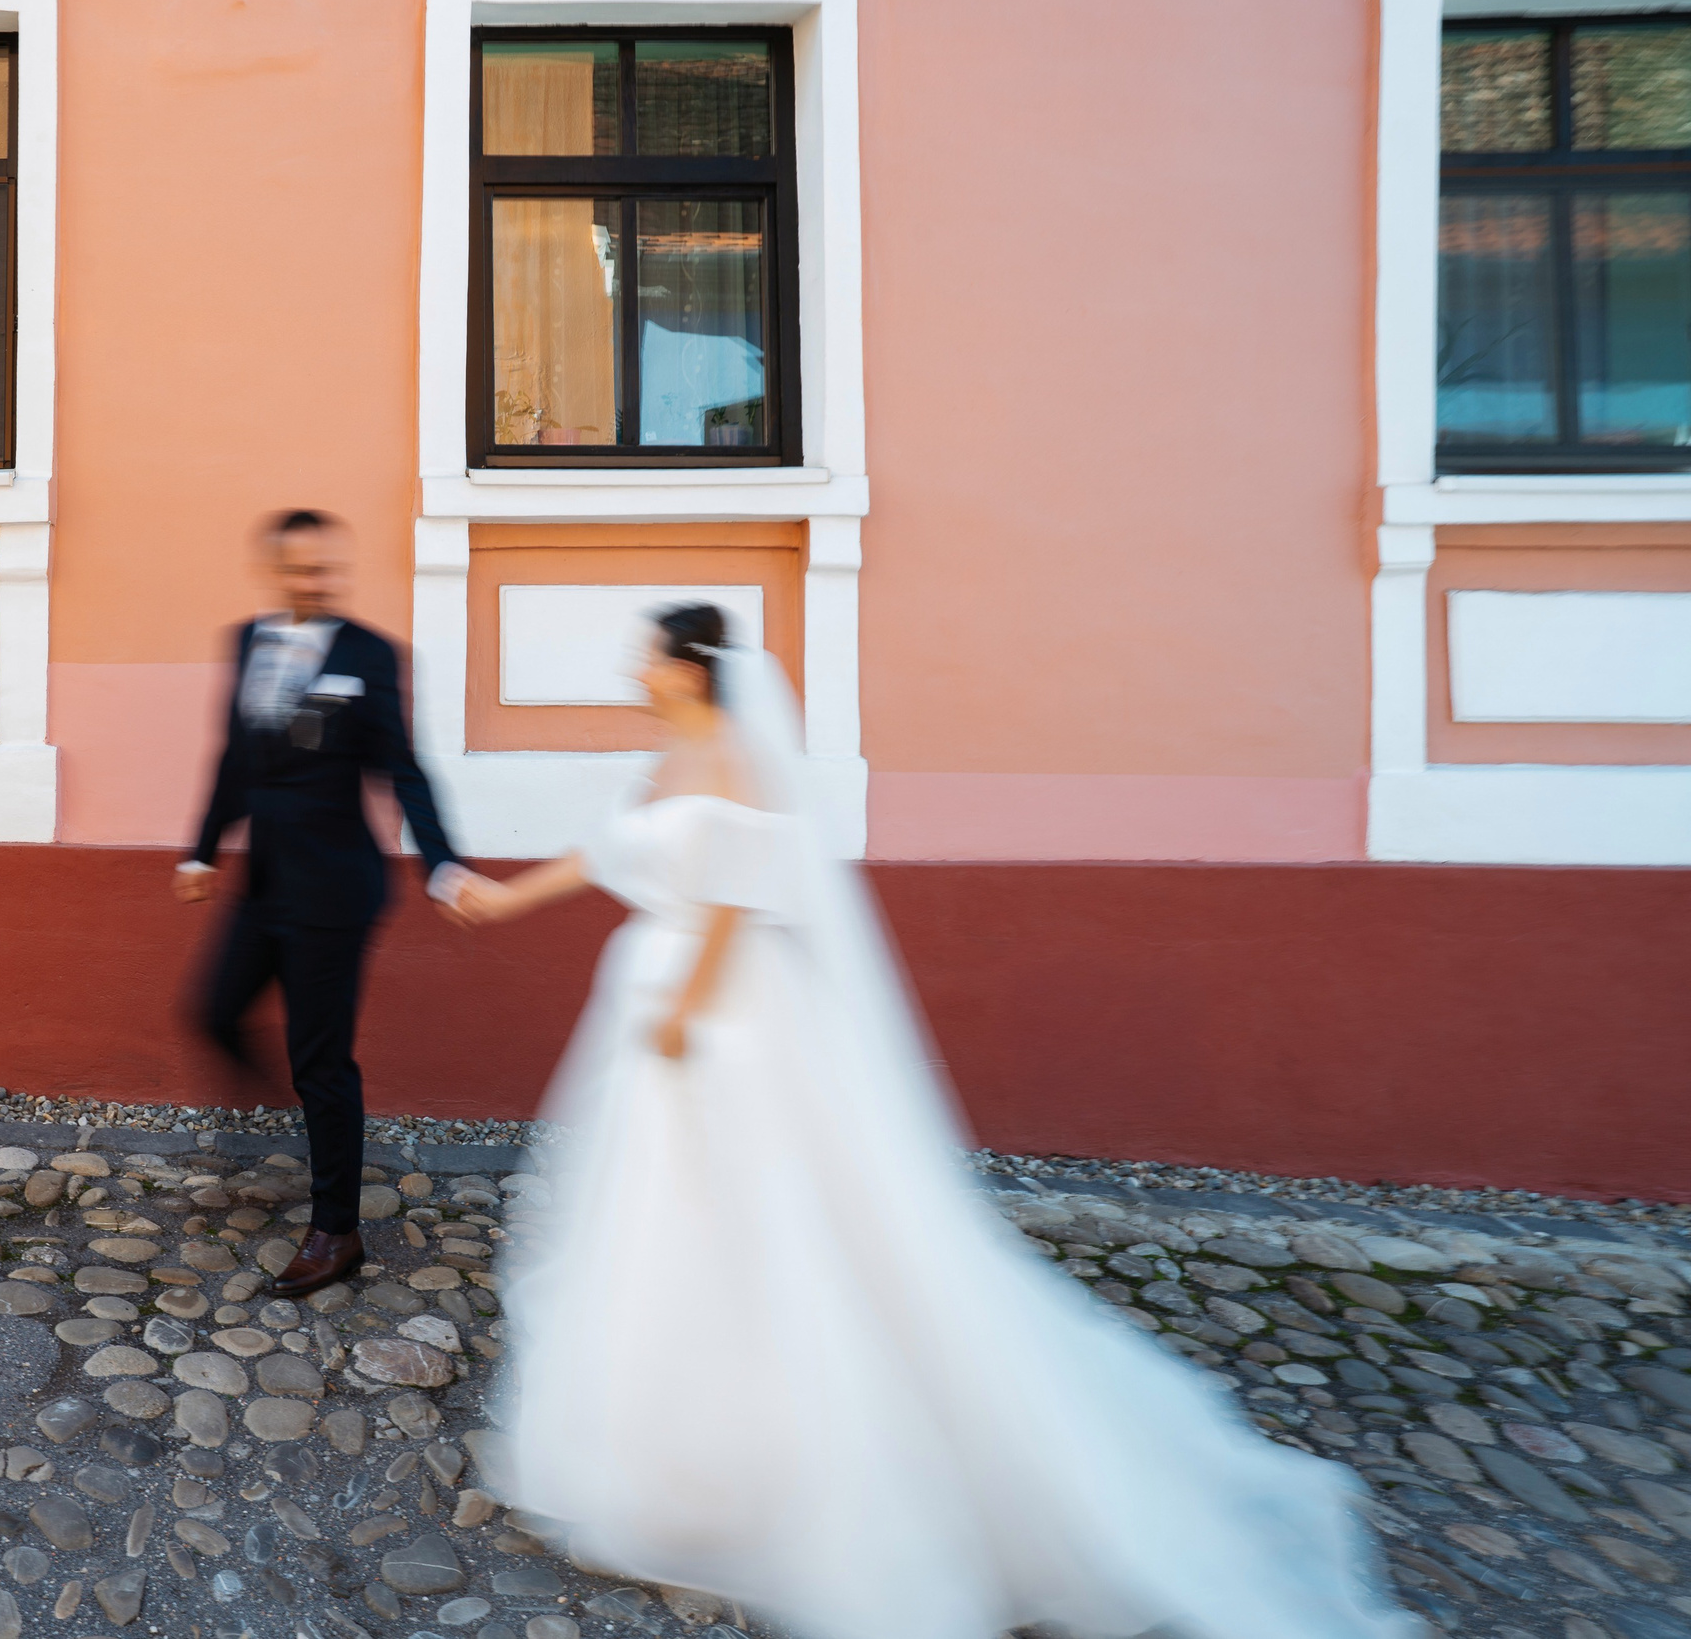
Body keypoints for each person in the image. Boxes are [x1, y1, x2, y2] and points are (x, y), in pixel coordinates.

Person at [451, 604, 1414, 1639]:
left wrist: (688, 1009)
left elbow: (738, 893)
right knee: (658, 1212)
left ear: (688, 669)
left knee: (762, 1207)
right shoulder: (671, 751)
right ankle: (665, 1433)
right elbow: (605, 853)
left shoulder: (731, 753)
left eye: (647, 656)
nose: (633, 670)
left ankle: (789, 1440)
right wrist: (501, 902)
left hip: (719, 1012)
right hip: (652, 1000)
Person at [177, 509, 473, 1299]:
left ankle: (336, 1229)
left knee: (325, 1065)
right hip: (265, 882)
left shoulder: (370, 654)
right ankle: (297, 1118)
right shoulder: (247, 641)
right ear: (276, 570)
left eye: (326, 569)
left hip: (335, 893)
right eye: (300, 570)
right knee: (210, 1010)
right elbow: (235, 759)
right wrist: (203, 848)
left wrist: (443, 863)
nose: (316, 581)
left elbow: (404, 770)